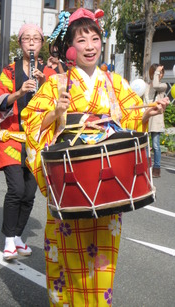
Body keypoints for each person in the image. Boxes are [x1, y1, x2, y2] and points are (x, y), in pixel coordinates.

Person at [21, 9, 169, 306]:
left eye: (95, 38)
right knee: (68, 261)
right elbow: (31, 123)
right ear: (71, 47)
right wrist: (57, 112)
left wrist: (147, 114)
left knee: (102, 264)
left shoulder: (115, 83)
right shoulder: (57, 84)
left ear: (101, 42)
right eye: (82, 39)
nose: (90, 45)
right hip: (71, 185)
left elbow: (128, 119)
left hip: (106, 184)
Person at [0, 23, 45, 261]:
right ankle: (9, 240)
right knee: (17, 189)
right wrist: (20, 92)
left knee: (31, 192)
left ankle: (19, 237)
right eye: (27, 39)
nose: (32, 42)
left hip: (36, 142)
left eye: (36, 38)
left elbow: (58, 104)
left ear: (42, 43)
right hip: (12, 138)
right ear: (21, 43)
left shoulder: (49, 73)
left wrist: (45, 86)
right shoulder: (10, 72)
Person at [144, 64, 168, 178]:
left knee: (155, 145)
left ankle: (156, 169)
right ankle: (145, 167)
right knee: (144, 144)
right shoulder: (146, 86)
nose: (160, 74)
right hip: (146, 117)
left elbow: (156, 84)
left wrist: (157, 72)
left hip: (156, 119)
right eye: (158, 72)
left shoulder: (163, 86)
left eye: (161, 73)